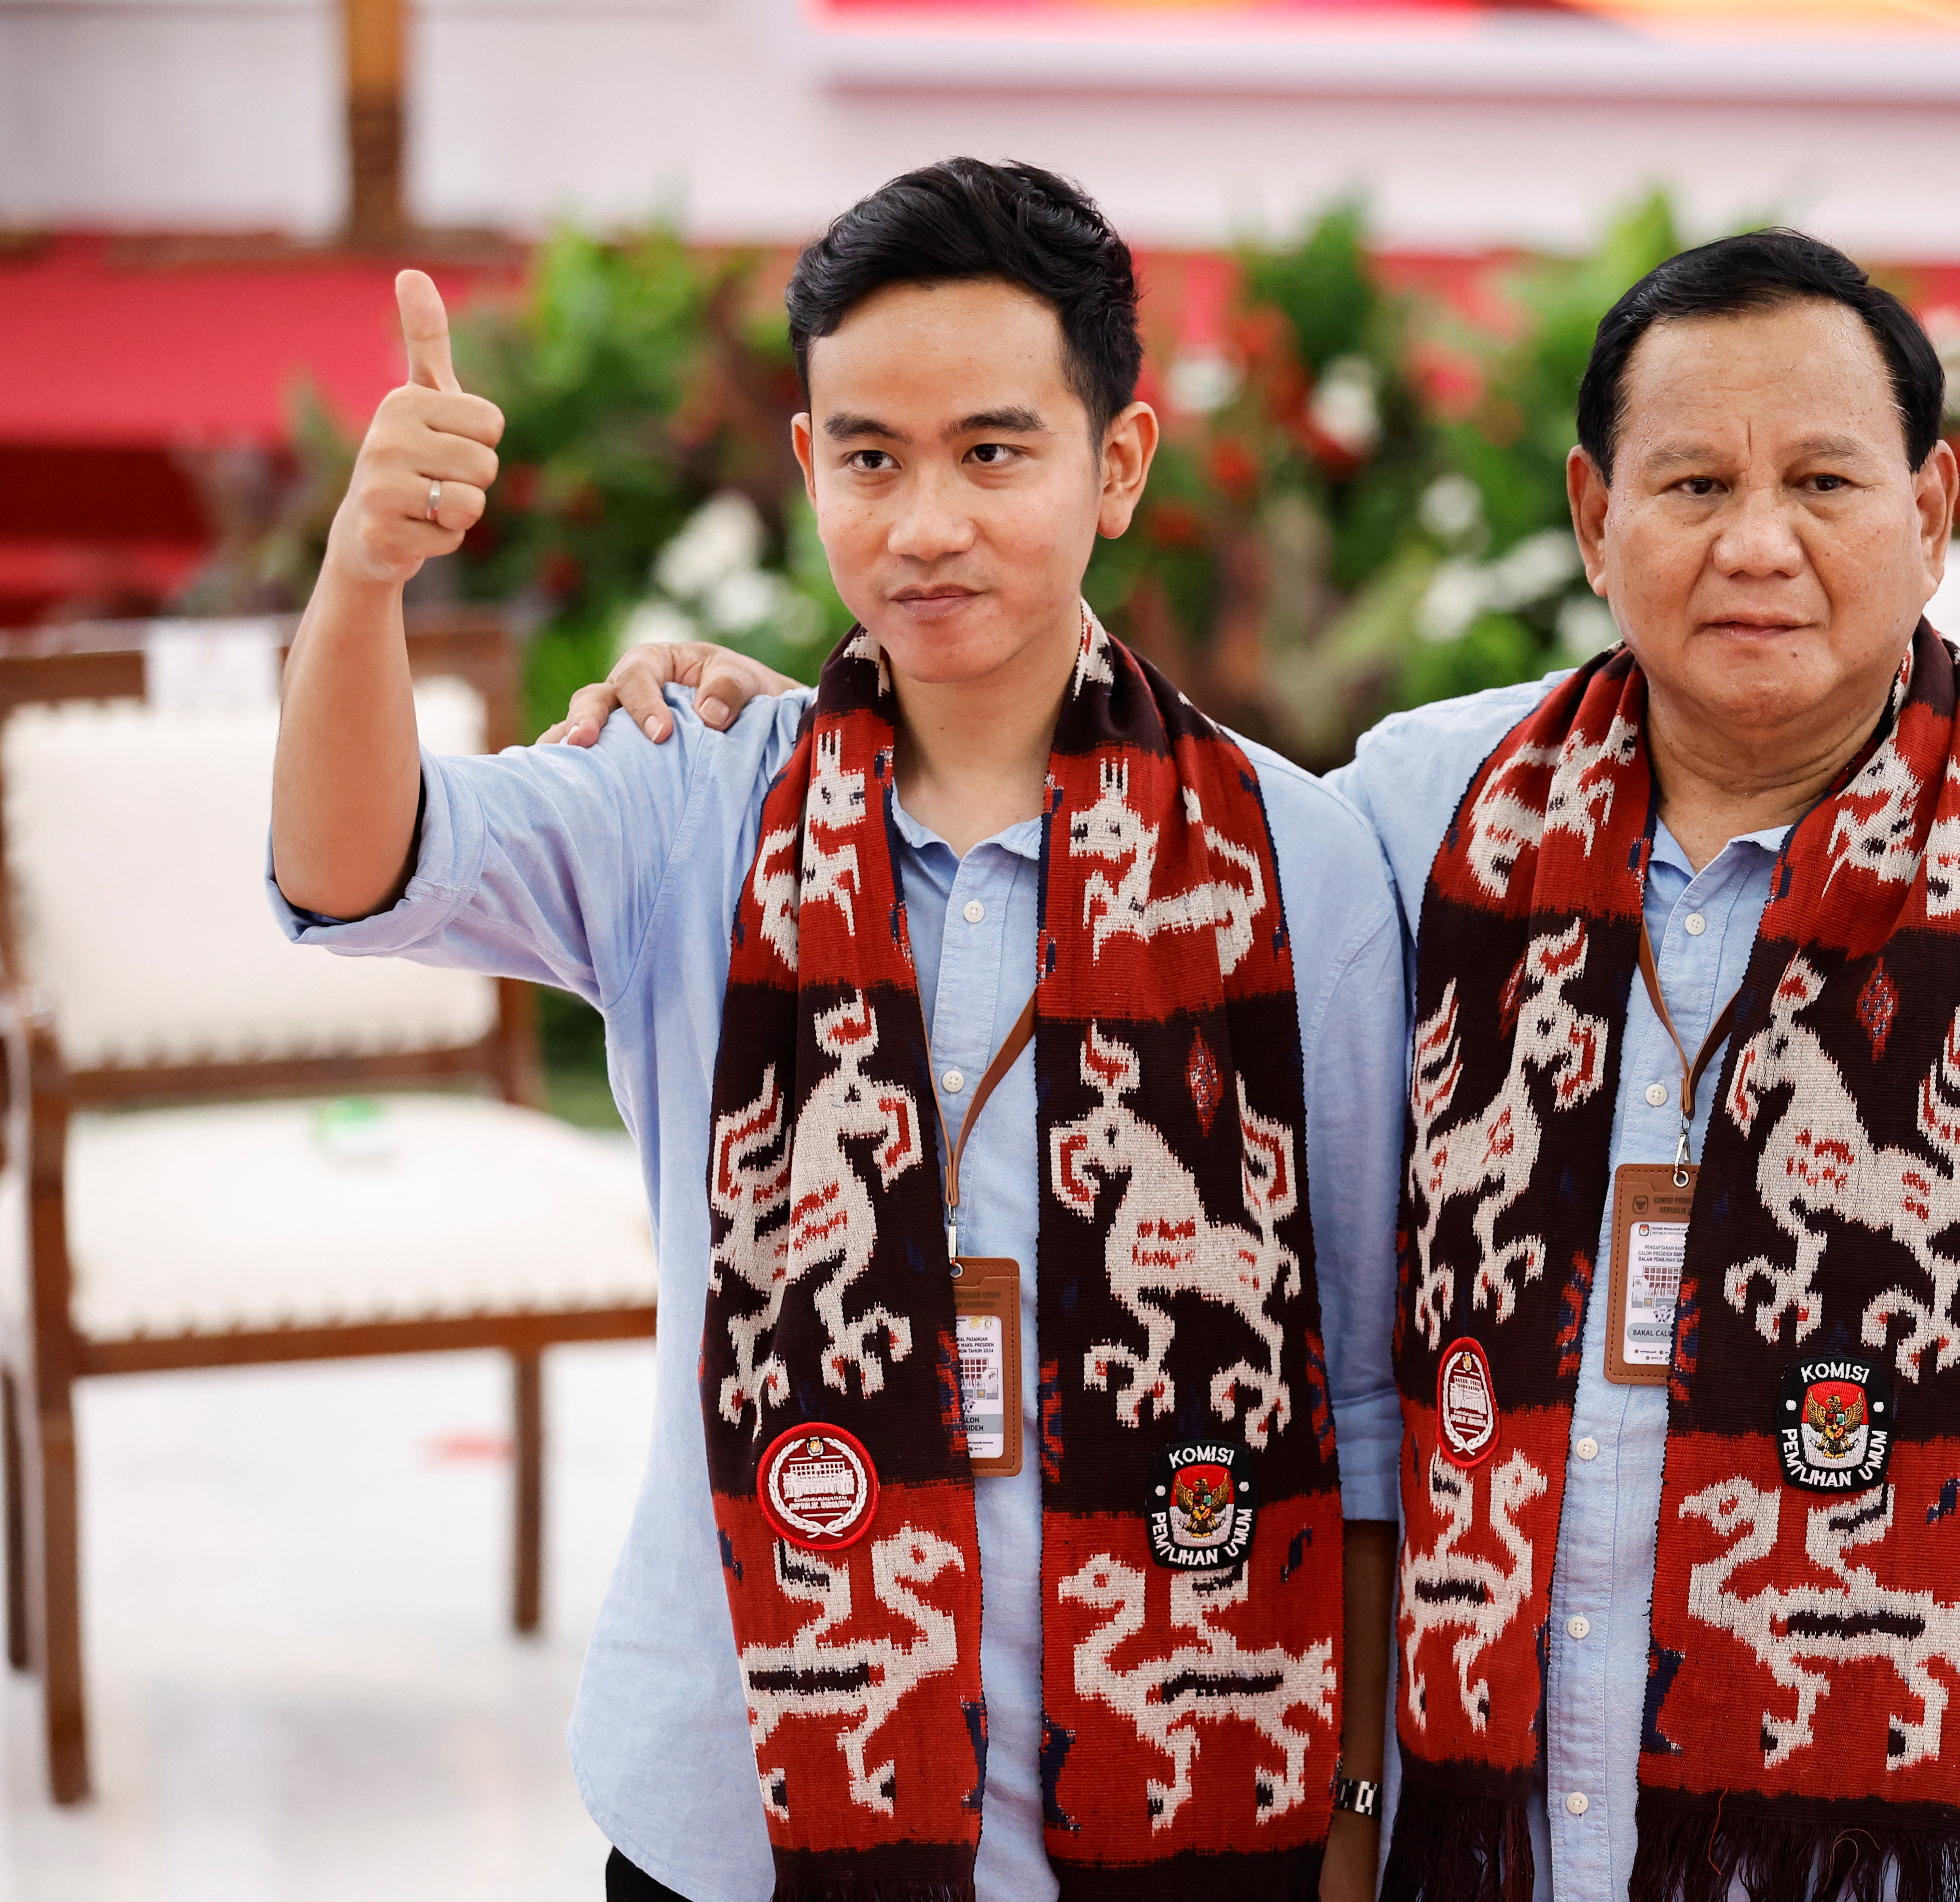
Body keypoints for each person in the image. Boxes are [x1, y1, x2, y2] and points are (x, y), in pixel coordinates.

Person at [576, 230, 1960, 1901]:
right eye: (1692, 486)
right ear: (1595, 518)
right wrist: (833, 728)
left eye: (1823, 481)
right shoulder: (1428, 814)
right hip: (1509, 1844)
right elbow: (1148, 840)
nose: (1756, 542)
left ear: (1932, 514)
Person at [269, 159, 1402, 1902]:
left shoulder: (1295, 862)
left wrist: (1353, 1813)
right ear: (807, 467)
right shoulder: (694, 799)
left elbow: (1361, 1395)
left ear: (1118, 464)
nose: (926, 523)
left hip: (1178, 1801)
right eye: (871, 458)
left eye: (993, 453)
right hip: (736, 1806)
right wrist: (365, 578)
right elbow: (355, 869)